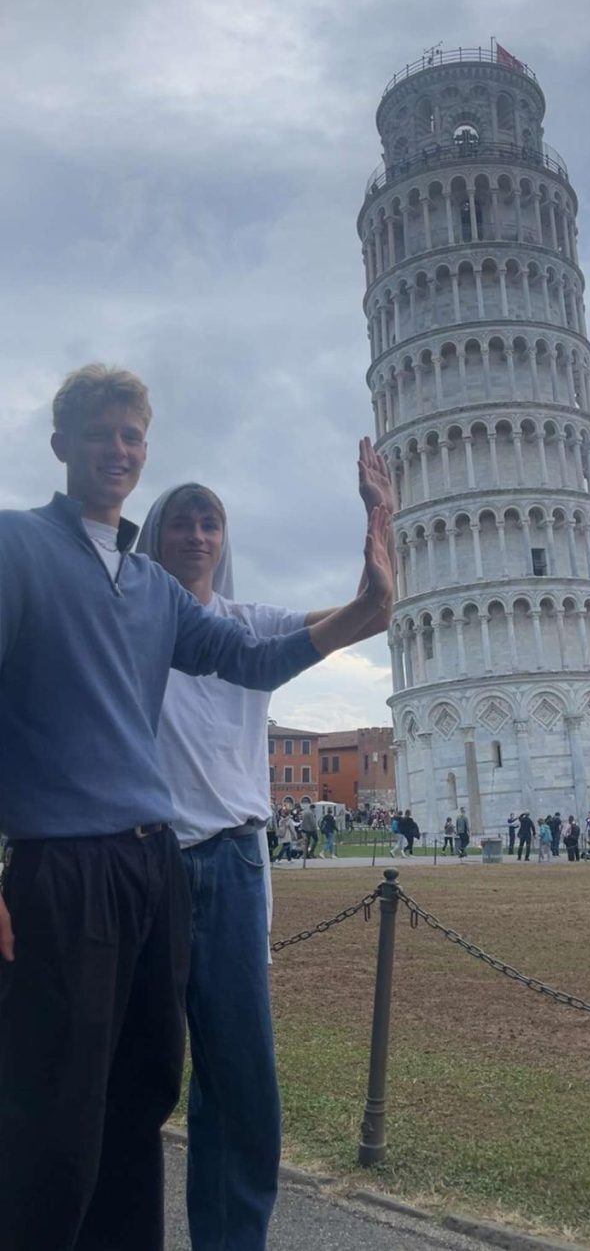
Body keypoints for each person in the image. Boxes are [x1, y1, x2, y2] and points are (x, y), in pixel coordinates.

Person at [0, 364, 394, 1251]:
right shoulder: (16, 547)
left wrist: (367, 609)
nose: (117, 449)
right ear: (61, 444)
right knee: (58, 1111)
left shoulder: (152, 591)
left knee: (143, 1100)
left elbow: (247, 657)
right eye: (99, 432)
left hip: (152, 865)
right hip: (63, 863)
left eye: (132, 435)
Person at [134, 449, 394, 1251]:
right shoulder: (128, 622)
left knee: (242, 1080)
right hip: (148, 862)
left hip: (237, 866)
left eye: (210, 521)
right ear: (154, 536)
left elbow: (369, 611)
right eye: (182, 520)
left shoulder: (254, 625)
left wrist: (377, 518)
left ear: (225, 538)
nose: (198, 533)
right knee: (135, 1071)